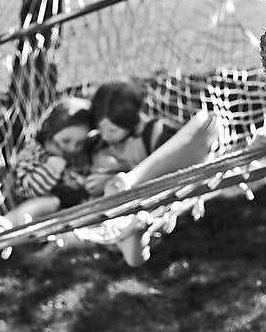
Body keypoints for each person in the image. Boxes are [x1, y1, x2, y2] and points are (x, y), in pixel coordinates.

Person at [86, 81, 220, 266]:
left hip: (163, 189)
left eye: (112, 130)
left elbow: (178, 162)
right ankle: (134, 232)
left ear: (131, 121)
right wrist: (104, 180)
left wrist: (126, 180)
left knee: (206, 121)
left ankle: (132, 213)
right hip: (130, 207)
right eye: (101, 130)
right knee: (131, 251)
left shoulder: (153, 131)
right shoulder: (100, 145)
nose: (106, 135)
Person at [0, 102, 94, 227]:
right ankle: (10, 223)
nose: (72, 148)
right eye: (66, 141)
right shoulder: (34, 153)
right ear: (50, 134)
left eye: (79, 143)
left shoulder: (78, 155)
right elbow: (27, 190)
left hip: (62, 212)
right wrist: (54, 165)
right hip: (28, 201)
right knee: (51, 202)